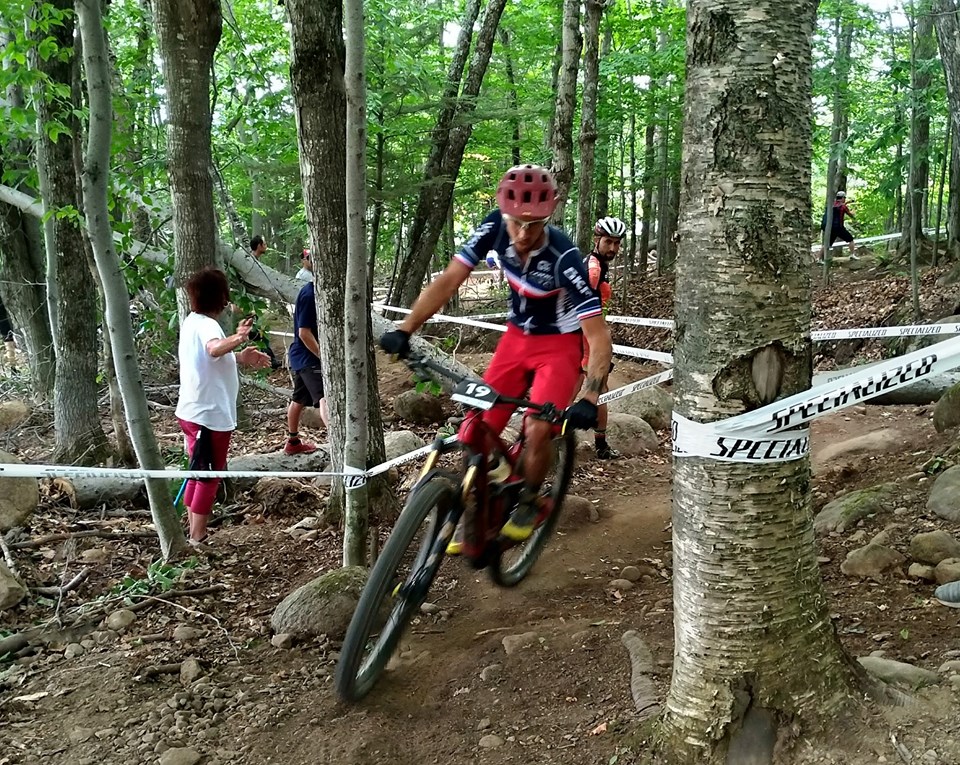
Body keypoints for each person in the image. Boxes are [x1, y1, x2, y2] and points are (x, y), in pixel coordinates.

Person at [380, 164, 613, 546]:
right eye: (515, 222)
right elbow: (448, 280)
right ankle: (482, 505)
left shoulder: (564, 256)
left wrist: (590, 394)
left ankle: (530, 500)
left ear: (549, 216)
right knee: (475, 430)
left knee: (538, 427)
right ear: (502, 211)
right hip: (516, 339)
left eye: (534, 225)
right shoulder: (493, 226)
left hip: (558, 346)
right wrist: (406, 330)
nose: (522, 233)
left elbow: (598, 334)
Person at [176, 268, 271, 545]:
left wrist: (240, 357)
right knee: (208, 476)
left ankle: (193, 531)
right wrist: (239, 337)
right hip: (208, 415)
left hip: (194, 411)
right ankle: (197, 537)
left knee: (198, 471)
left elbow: (211, 358)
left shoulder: (192, 321)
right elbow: (213, 349)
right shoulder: (206, 325)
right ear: (219, 296)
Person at [578, 216, 627, 460]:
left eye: (617, 243)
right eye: (608, 242)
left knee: (593, 390)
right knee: (597, 391)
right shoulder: (594, 269)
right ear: (597, 240)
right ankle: (600, 446)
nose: (613, 248)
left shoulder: (596, 264)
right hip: (586, 339)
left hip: (588, 336)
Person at [285, 249, 328, 455]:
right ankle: (339, 443)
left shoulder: (319, 292)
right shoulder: (309, 295)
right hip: (307, 356)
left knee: (299, 399)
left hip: (302, 356)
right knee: (325, 398)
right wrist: (323, 356)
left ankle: (293, 442)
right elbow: (304, 333)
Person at [820, 191, 857, 259]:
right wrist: (853, 212)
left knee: (826, 244)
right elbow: (851, 215)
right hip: (839, 228)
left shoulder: (831, 205)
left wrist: (847, 203)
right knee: (851, 240)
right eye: (844, 198)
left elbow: (839, 206)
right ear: (842, 198)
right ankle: (852, 255)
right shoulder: (843, 207)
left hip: (830, 228)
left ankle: (819, 259)